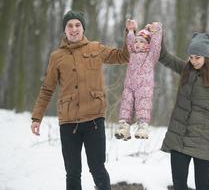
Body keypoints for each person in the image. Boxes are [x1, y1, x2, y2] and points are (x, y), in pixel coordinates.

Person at [30, 10, 130, 190]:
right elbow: (47, 89)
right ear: (65, 30)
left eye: (77, 25)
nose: (74, 29)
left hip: (94, 120)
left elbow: (124, 56)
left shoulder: (96, 48)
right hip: (69, 123)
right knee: (73, 172)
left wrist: (130, 34)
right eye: (70, 25)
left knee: (98, 168)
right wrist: (36, 118)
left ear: (83, 28)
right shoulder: (56, 57)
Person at [159, 32, 209, 190]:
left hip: (204, 139)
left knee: (202, 186)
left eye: (197, 57)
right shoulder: (186, 69)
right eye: (191, 57)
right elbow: (164, 57)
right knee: (179, 185)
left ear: (205, 56)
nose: (193, 61)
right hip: (180, 137)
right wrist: (158, 35)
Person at [114, 20, 162, 140]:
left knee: (143, 105)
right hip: (129, 86)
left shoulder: (151, 56)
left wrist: (157, 31)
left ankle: (142, 126)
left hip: (144, 88)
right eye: (136, 41)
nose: (137, 44)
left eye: (141, 41)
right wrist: (131, 31)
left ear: (147, 44)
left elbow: (156, 45)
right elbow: (129, 43)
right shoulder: (132, 53)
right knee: (126, 105)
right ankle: (124, 126)